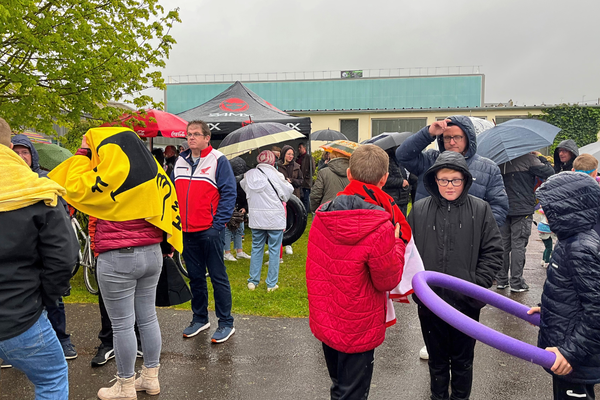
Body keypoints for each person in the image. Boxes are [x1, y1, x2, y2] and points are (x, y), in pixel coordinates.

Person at [49, 127, 183, 399]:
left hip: (117, 257)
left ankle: (125, 386)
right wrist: (169, 244)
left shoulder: (107, 177)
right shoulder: (153, 172)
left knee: (122, 325)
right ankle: (150, 378)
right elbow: (169, 208)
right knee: (147, 318)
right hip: (152, 254)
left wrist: (85, 151)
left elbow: (72, 185)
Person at [306, 144, 407, 400]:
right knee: (353, 392)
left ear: (349, 174)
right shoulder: (382, 226)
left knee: (339, 384)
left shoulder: (323, 214)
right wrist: (396, 243)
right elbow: (387, 279)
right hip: (359, 323)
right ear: (384, 179)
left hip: (328, 314)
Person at [408, 151, 503, 400]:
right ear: (434, 180)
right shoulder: (418, 210)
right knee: (437, 362)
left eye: (455, 180)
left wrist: (475, 286)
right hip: (431, 303)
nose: (449, 186)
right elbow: (407, 252)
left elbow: (493, 251)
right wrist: (419, 291)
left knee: (463, 362)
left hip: (467, 303)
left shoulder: (480, 209)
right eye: (443, 180)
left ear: (465, 180)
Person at [0, 117, 78, 399]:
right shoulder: (40, 192)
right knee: (51, 378)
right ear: (10, 146)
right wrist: (46, 298)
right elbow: (64, 259)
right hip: (21, 315)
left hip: (19, 310)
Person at [529, 171, 600, 400]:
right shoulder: (570, 238)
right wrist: (549, 306)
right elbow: (572, 290)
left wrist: (570, 353)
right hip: (569, 345)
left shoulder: (581, 248)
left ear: (570, 208)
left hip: (576, 357)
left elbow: (597, 308)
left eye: (550, 208)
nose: (545, 213)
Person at [10, 134, 78, 361]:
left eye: (25, 153)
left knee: (54, 300)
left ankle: (63, 339)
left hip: (45, 254)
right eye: (16, 152)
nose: (21, 157)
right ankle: (15, 347)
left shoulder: (44, 181)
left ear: (32, 156)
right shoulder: (6, 181)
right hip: (21, 256)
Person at [173, 120, 237, 343]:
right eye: (188, 134)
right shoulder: (179, 161)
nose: (191, 138)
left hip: (210, 230)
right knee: (195, 277)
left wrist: (217, 225)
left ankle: (226, 322)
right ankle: (200, 318)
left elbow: (229, 194)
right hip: (187, 231)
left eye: (196, 134)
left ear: (207, 138)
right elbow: (173, 194)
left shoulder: (218, 160)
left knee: (218, 277)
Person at [396, 115, 509, 227]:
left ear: (468, 138)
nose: (452, 142)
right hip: (429, 233)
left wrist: (479, 231)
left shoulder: (488, 168)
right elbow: (403, 155)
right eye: (447, 137)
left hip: (470, 239)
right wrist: (428, 133)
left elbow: (498, 206)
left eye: (457, 137)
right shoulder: (429, 161)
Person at [496, 152, 554, 292]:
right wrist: (540, 157)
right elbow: (549, 172)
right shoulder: (528, 158)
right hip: (522, 210)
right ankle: (516, 282)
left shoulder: (499, 160)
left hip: (503, 208)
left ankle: (501, 280)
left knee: (503, 245)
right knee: (518, 245)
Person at [240, 150, 293, 292]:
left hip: (256, 217)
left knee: (256, 248)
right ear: (272, 161)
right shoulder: (277, 175)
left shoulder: (249, 175)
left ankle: (253, 281)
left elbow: (245, 188)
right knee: (274, 250)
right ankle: (271, 284)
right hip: (274, 217)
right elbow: (287, 193)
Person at [223, 157, 251, 262]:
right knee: (228, 230)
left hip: (239, 207)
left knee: (240, 229)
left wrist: (245, 208)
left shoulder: (244, 180)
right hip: (230, 206)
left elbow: (246, 195)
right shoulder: (227, 180)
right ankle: (227, 253)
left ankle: (239, 251)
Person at [278, 144, 303, 255]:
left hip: (293, 197)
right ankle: (277, 245)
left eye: (292, 154)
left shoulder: (297, 166)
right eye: (289, 154)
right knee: (279, 221)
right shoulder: (277, 166)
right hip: (280, 197)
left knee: (290, 221)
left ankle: (288, 244)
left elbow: (301, 181)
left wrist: (292, 180)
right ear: (284, 154)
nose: (291, 156)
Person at [383, 147, 417, 217]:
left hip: (403, 199)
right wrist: (401, 182)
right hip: (393, 200)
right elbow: (385, 180)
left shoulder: (401, 161)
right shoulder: (387, 162)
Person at [297, 142, 316, 215]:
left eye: (300, 147)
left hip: (306, 182)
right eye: (298, 148)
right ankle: (301, 211)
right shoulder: (298, 157)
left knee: (305, 198)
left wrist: (307, 176)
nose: (299, 149)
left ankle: (305, 212)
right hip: (300, 181)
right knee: (301, 197)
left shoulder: (309, 157)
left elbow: (312, 169)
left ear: (304, 148)